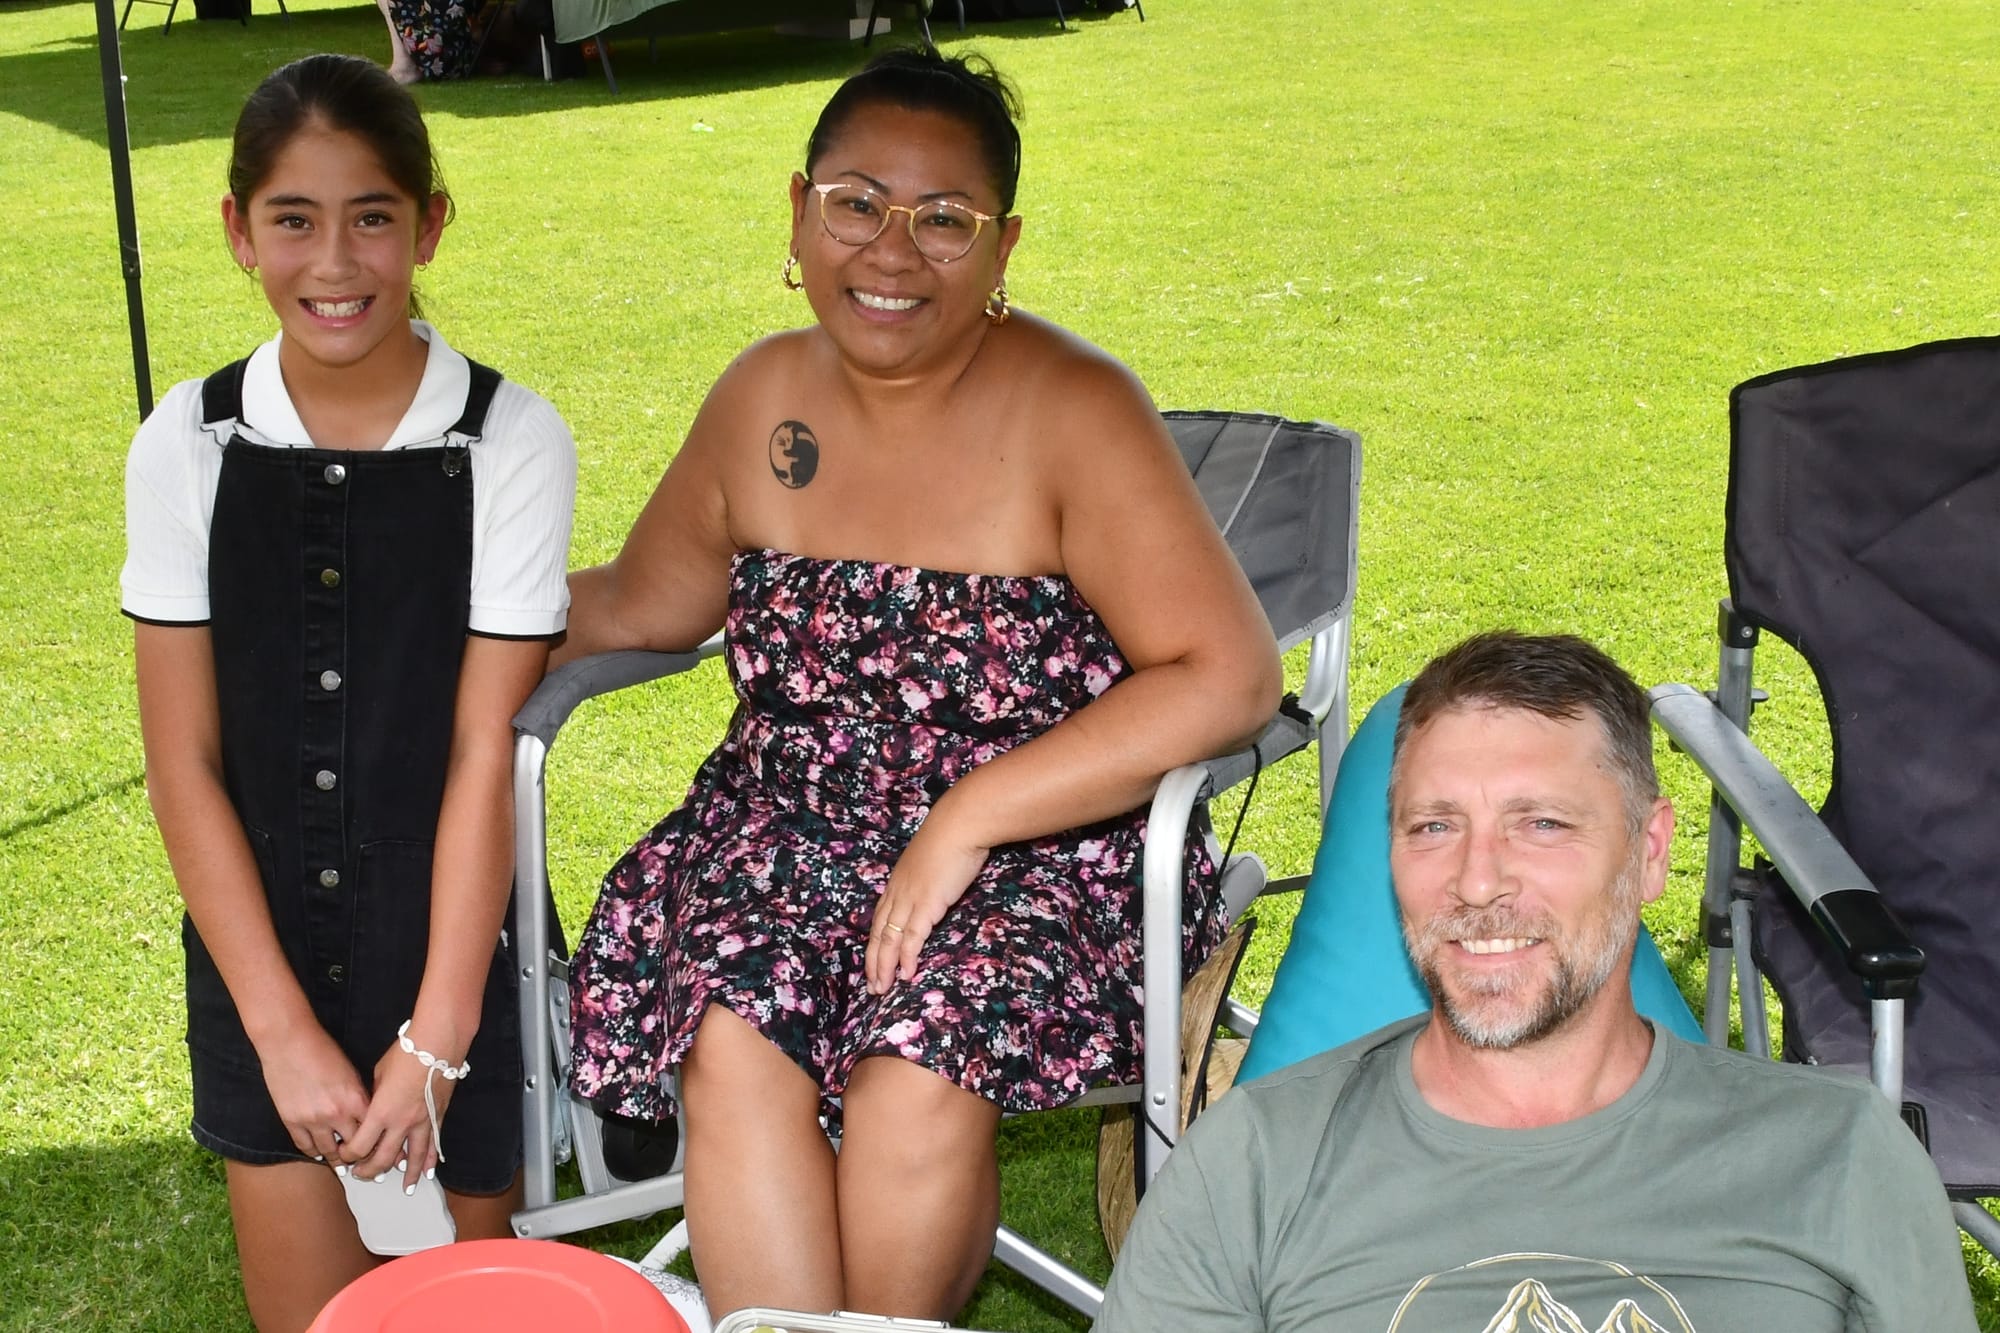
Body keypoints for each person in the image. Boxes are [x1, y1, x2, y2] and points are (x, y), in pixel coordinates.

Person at [556, 46, 1280, 1321]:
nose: (890, 253)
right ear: (798, 211)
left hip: (1044, 845)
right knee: (734, 1036)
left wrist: (969, 816)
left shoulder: (1076, 411)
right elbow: (639, 604)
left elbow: (1225, 672)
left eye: (942, 220)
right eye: (856, 203)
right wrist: (449, 618)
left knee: (917, 1067)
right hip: (784, 830)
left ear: (1001, 249)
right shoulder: (760, 396)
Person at [1094, 631, 1976, 1331]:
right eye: (1435, 826)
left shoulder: (1842, 1157)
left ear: (1650, 850)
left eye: (1542, 823)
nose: (1478, 882)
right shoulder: (1253, 1165)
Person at [122, 54, 576, 1332]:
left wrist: (434, 1038)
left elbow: (483, 752)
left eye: (373, 216)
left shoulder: (510, 439)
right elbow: (182, 767)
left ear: (429, 224)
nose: (336, 261)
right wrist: (279, 1034)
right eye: (294, 220)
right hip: (255, 962)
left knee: (457, 1312)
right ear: (237, 232)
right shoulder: (184, 443)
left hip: (446, 952)